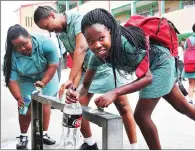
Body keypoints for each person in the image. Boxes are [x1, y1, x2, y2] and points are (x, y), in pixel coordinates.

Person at [66, 9, 195, 150]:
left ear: (110, 31)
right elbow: (86, 85)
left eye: (101, 38)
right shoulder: (97, 56)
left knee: (141, 115)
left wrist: (115, 92)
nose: (96, 45)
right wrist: (76, 92)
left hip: (160, 64)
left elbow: (147, 78)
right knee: (182, 106)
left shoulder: (125, 46)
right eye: (90, 41)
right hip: (155, 65)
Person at [33, 6, 138, 149]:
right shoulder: (63, 35)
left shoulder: (77, 19)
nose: (49, 31)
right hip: (87, 72)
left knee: (123, 107)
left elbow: (81, 48)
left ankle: (134, 146)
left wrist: (69, 78)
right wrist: (74, 86)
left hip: (105, 66)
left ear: (52, 15)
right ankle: (90, 143)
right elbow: (76, 60)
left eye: (47, 26)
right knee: (77, 106)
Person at [2, 24, 58, 149]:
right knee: (25, 107)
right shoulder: (10, 58)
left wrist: (43, 81)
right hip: (25, 79)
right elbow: (12, 80)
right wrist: (18, 98)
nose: (22, 48)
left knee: (45, 105)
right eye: (17, 47)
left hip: (47, 75)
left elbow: (53, 65)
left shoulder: (46, 43)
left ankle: (44, 134)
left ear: (29, 37)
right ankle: (23, 136)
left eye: (25, 43)